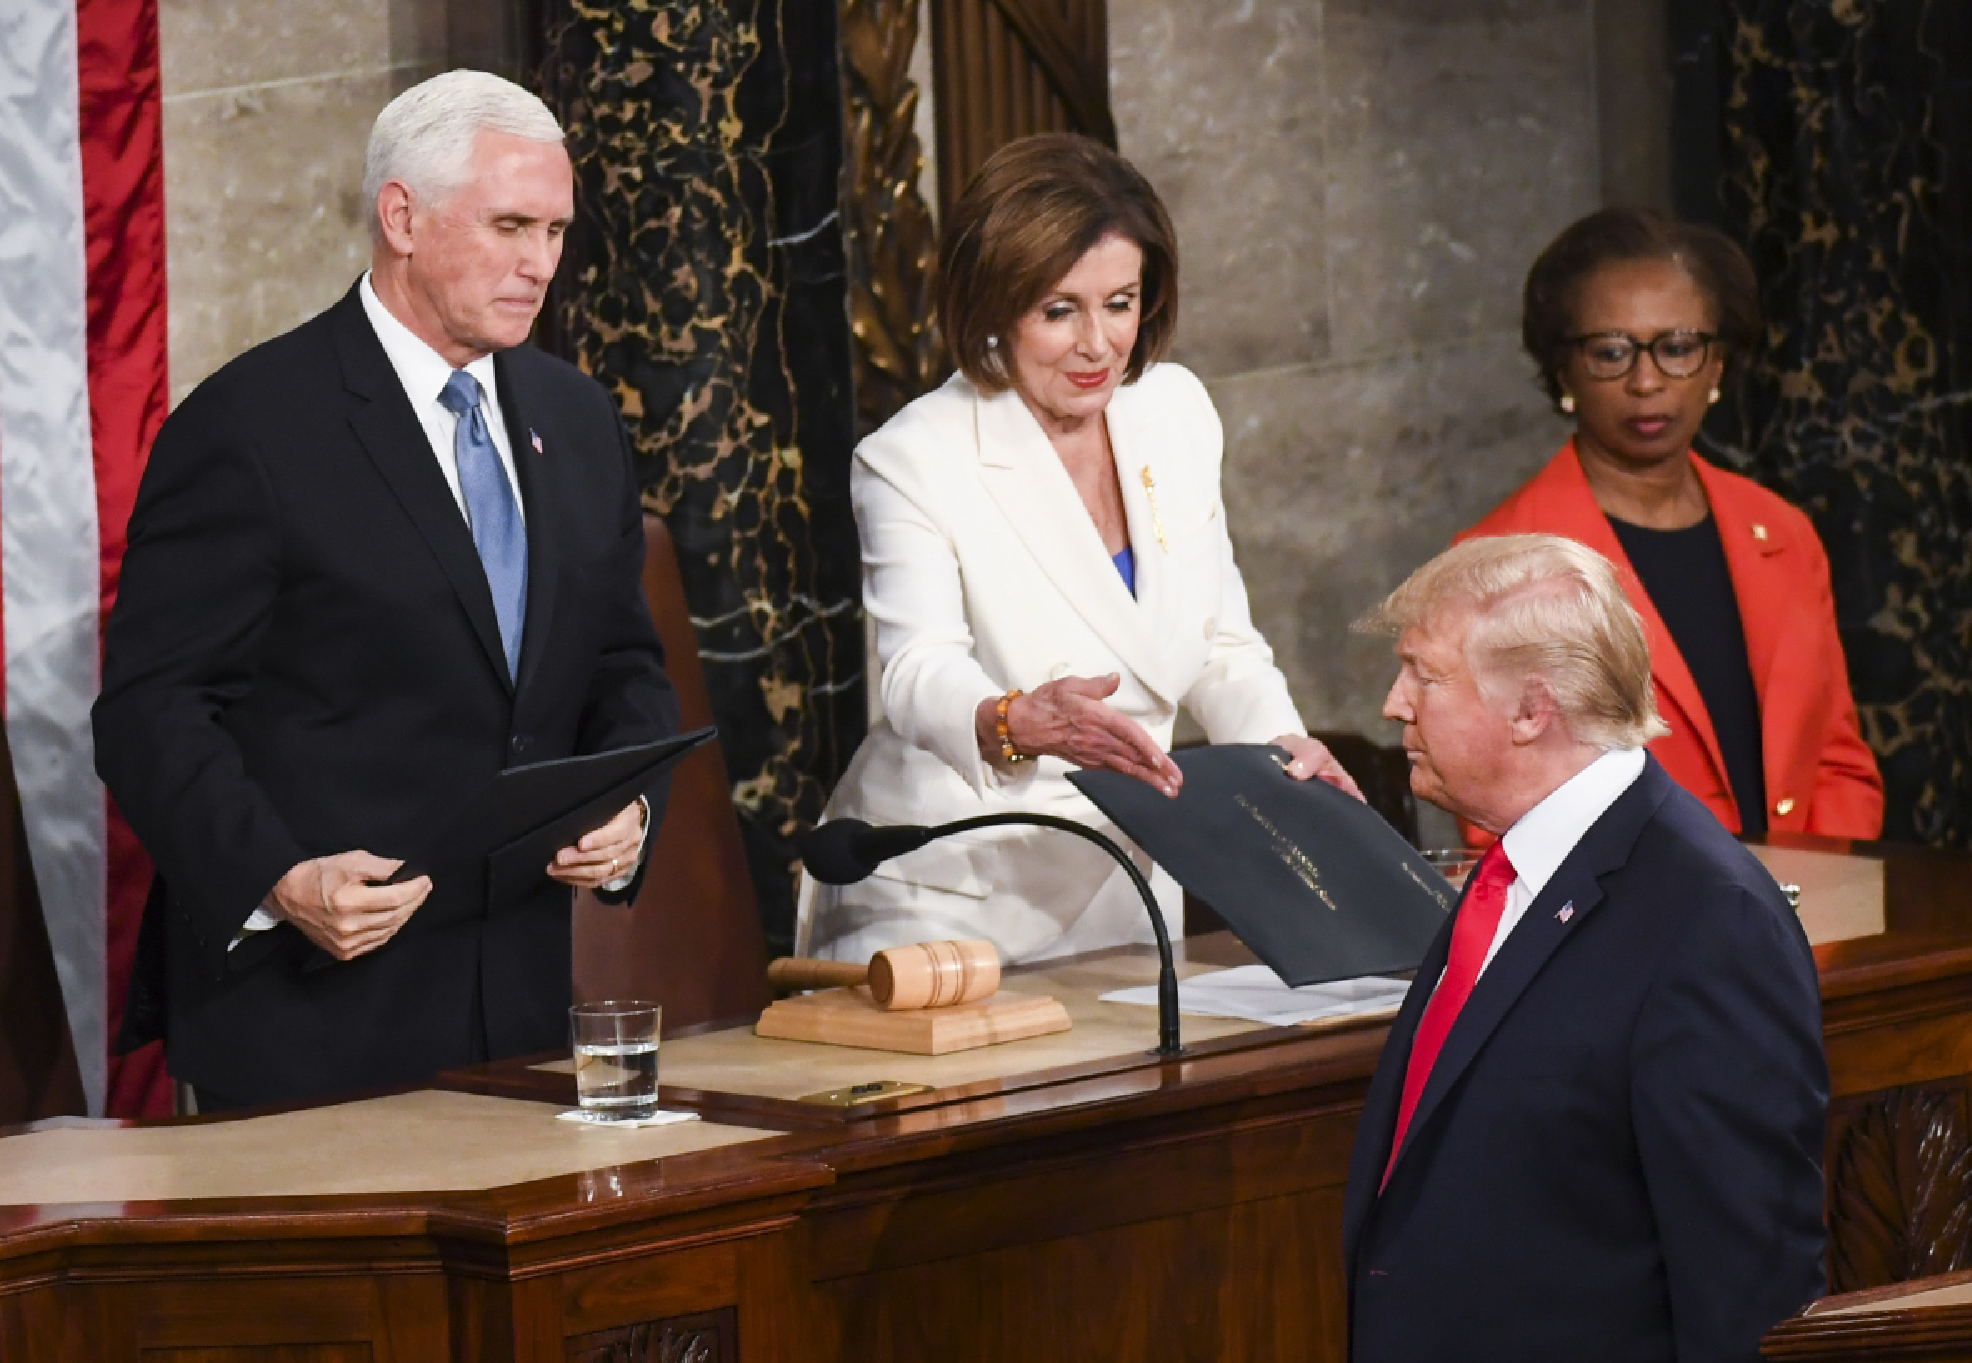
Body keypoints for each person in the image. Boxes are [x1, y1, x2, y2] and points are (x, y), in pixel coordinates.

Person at [93, 71, 680, 1110]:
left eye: (553, 230)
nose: (538, 263)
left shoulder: (577, 417)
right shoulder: (250, 428)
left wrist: (627, 804)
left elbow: (622, 661)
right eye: (508, 225)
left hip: (526, 1013)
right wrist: (278, 876)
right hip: (312, 1018)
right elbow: (150, 711)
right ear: (401, 215)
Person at [798, 134, 1357, 965]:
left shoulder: (1175, 411)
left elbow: (1221, 647)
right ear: (994, 306)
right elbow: (916, 670)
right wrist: (1016, 720)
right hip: (949, 892)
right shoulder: (916, 454)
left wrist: (1289, 760)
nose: (1098, 343)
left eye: (1121, 302)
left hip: (1124, 880)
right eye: (1060, 310)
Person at [1342, 534, 1827, 1362]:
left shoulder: (1710, 922)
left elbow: (1748, 1287)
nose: (1394, 703)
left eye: (1423, 673)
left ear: (1533, 710)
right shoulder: (1511, 870)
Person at [1458, 207, 1882, 841]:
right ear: (1562, 370)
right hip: (1635, 928)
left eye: (1678, 347)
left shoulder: (1782, 532)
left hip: (1806, 917)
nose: (1647, 380)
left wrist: (1807, 894)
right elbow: (1499, 820)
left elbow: (1837, 762)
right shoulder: (1499, 564)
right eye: (1611, 352)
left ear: (1717, 365)